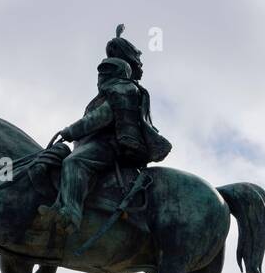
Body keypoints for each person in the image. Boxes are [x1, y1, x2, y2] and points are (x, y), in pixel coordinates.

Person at [40, 25, 171, 238]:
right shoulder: (124, 88)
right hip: (106, 144)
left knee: (74, 162)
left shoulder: (121, 89)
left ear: (114, 71)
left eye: (104, 72)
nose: (101, 78)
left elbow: (100, 118)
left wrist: (70, 131)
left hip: (113, 145)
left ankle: (70, 214)